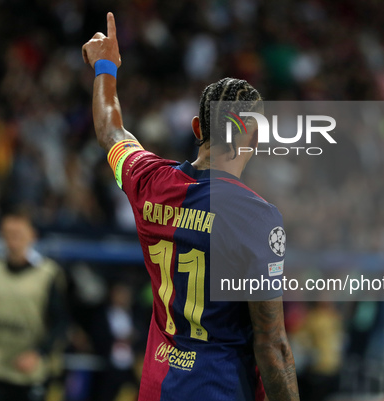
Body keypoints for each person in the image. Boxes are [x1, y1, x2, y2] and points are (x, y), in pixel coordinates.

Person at [82, 12, 299, 401]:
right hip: (220, 390)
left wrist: (105, 66)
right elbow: (273, 345)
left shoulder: (148, 180)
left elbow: (109, 130)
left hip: (156, 387)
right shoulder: (257, 218)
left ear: (198, 128)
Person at [0, 213, 68, 401]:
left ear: (33, 235)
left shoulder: (48, 274)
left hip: (28, 375)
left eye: (18, 233)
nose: (12, 238)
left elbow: (61, 322)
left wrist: (39, 353)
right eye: (8, 233)